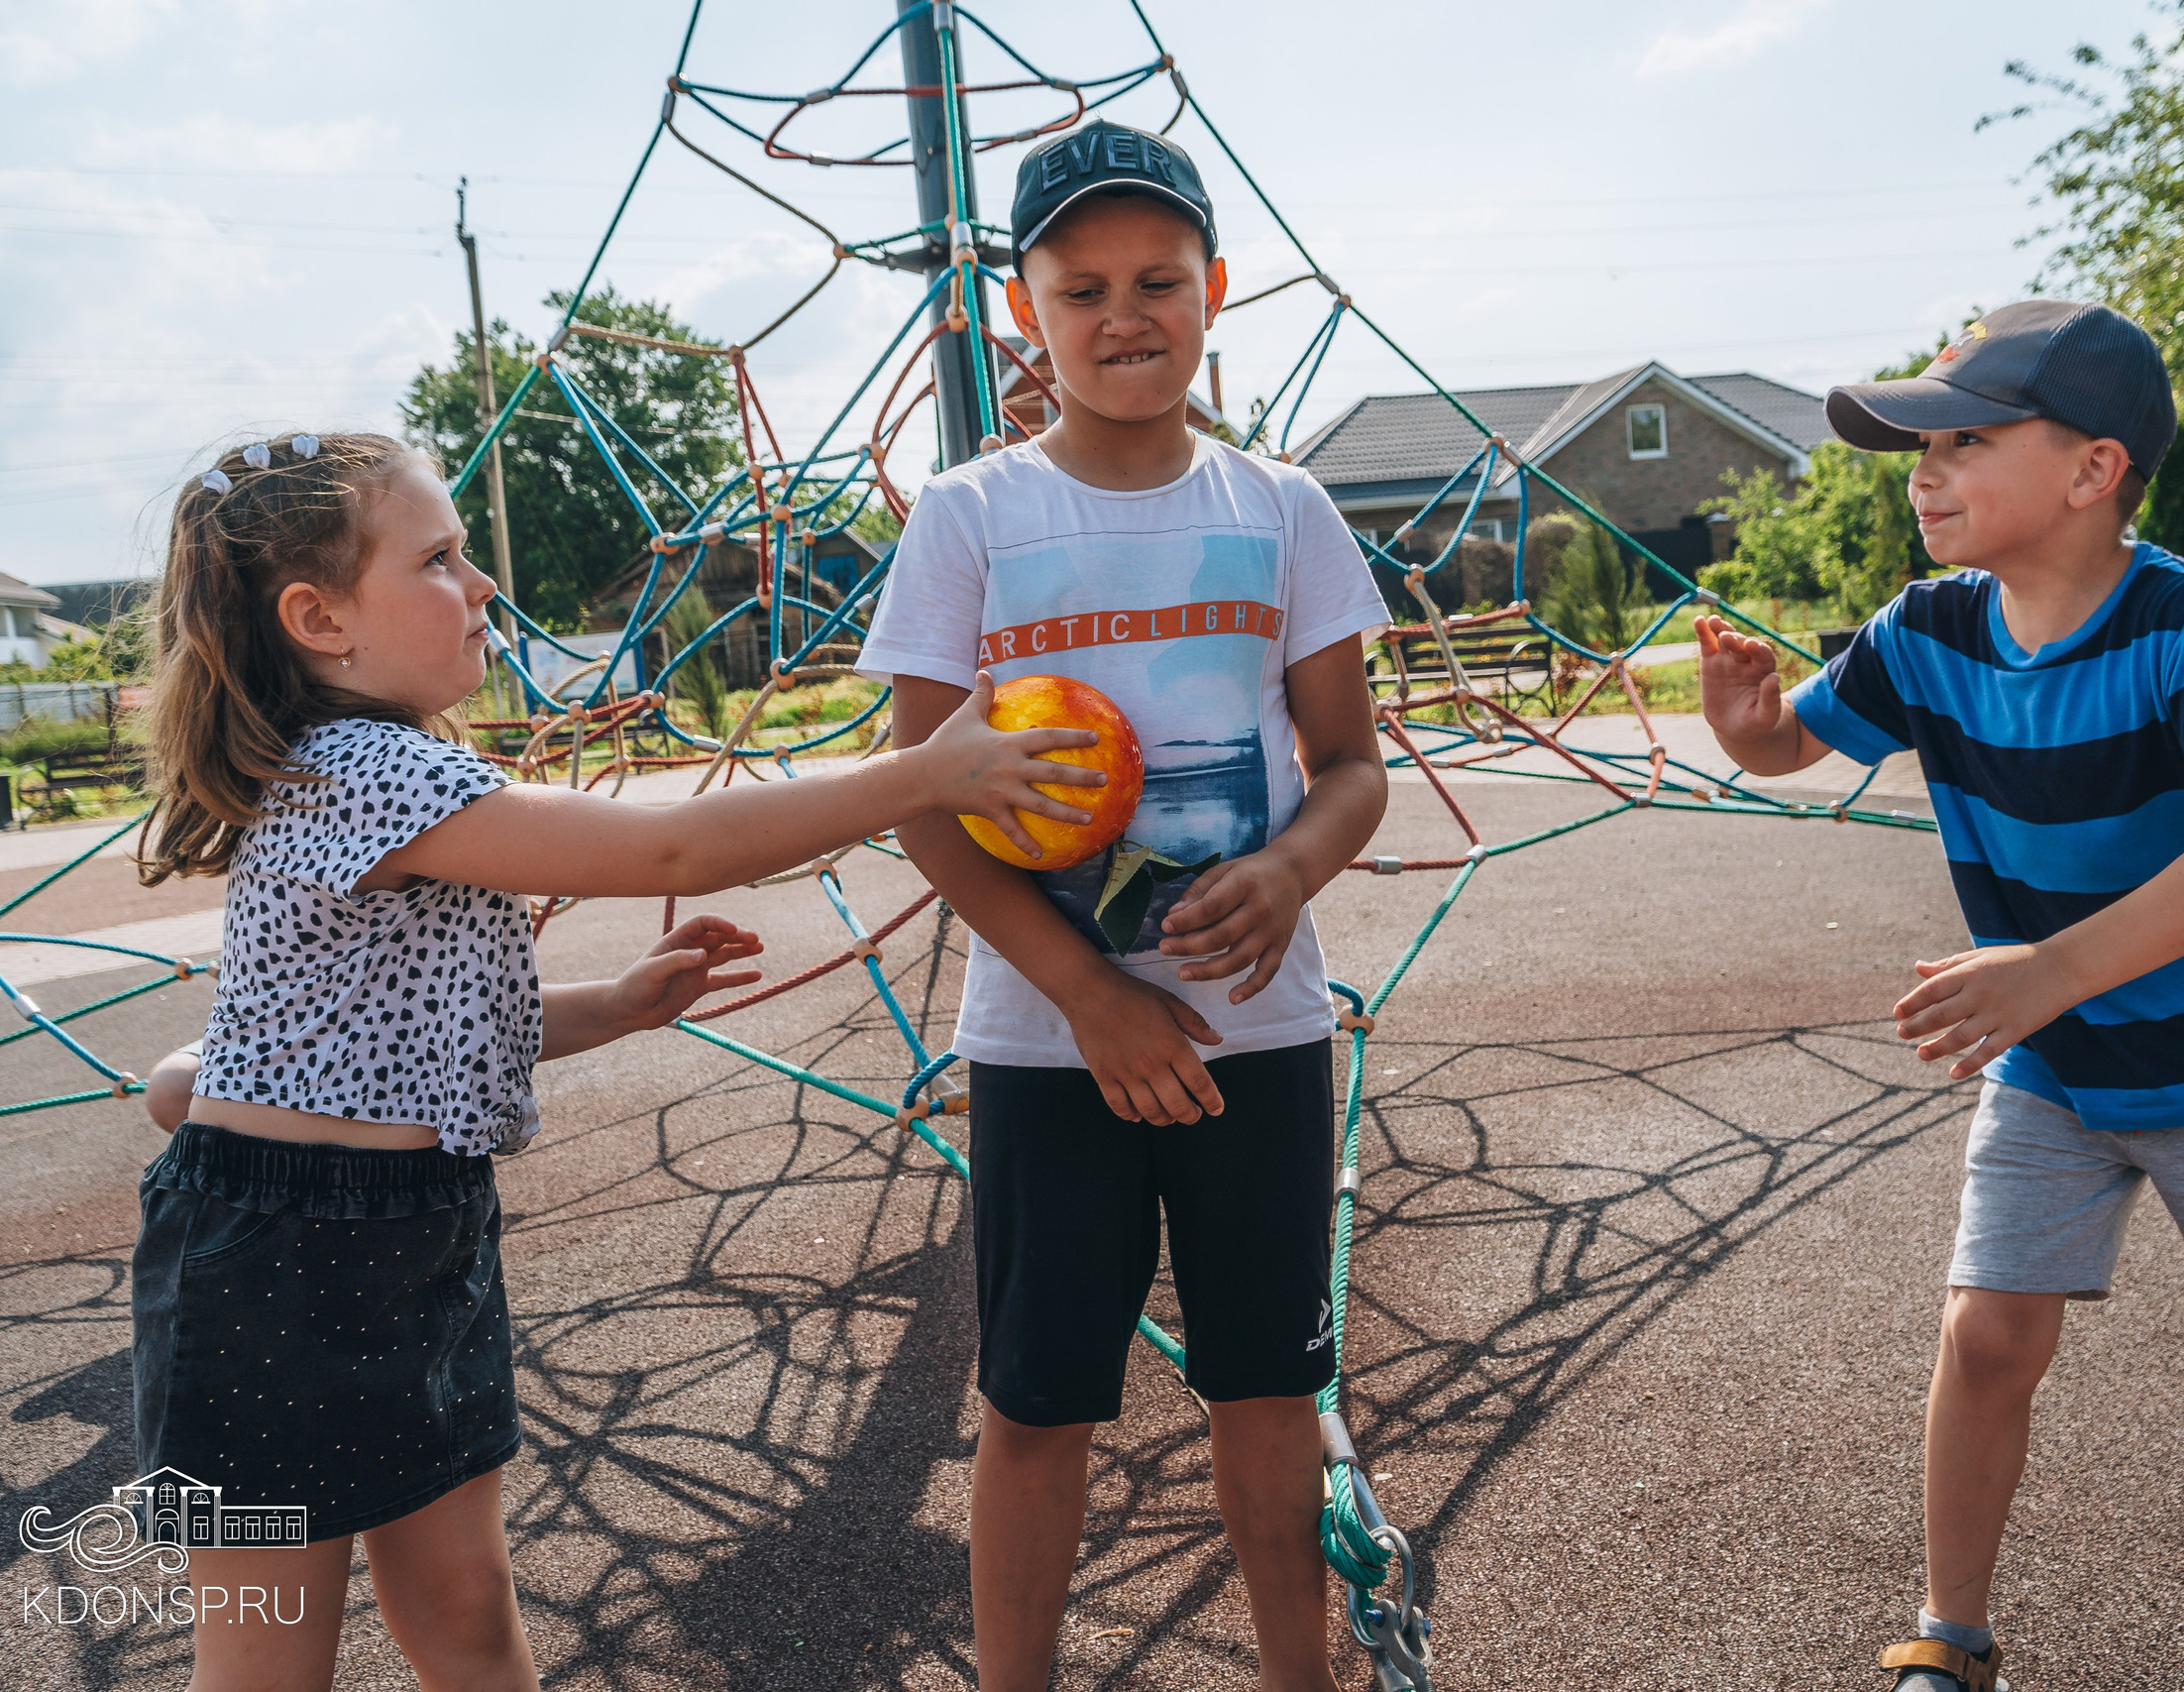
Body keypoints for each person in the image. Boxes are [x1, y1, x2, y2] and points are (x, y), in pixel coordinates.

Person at [131, 431, 1099, 1692]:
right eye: (440, 558)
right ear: (319, 619)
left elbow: (412, 1036)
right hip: (279, 1270)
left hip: (414, 1232)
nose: (483, 586)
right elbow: (670, 850)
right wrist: (923, 773)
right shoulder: (361, 774)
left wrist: (615, 1004)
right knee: (266, 1657)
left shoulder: (388, 774)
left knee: (468, 1611)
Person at [1693, 300, 2184, 1692]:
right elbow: (1790, 745)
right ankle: (1952, 1631)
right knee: (1990, 1329)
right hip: (2056, 1065)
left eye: (1963, 439)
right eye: (1919, 443)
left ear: (2093, 470)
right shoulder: (1927, 627)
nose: (1922, 469)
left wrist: (2050, 966)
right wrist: (1746, 720)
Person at [859, 120, 1388, 1692]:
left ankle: (1301, 1670)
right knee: (1036, 1403)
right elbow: (929, 809)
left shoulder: (1284, 508)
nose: (1123, 312)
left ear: (1215, 287)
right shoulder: (968, 518)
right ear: (1026, 313)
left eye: (1158, 276)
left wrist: (1289, 866)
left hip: (1260, 1033)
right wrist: (1087, 990)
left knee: (1268, 1391)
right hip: (1045, 1042)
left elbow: (1352, 763)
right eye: (1080, 285)